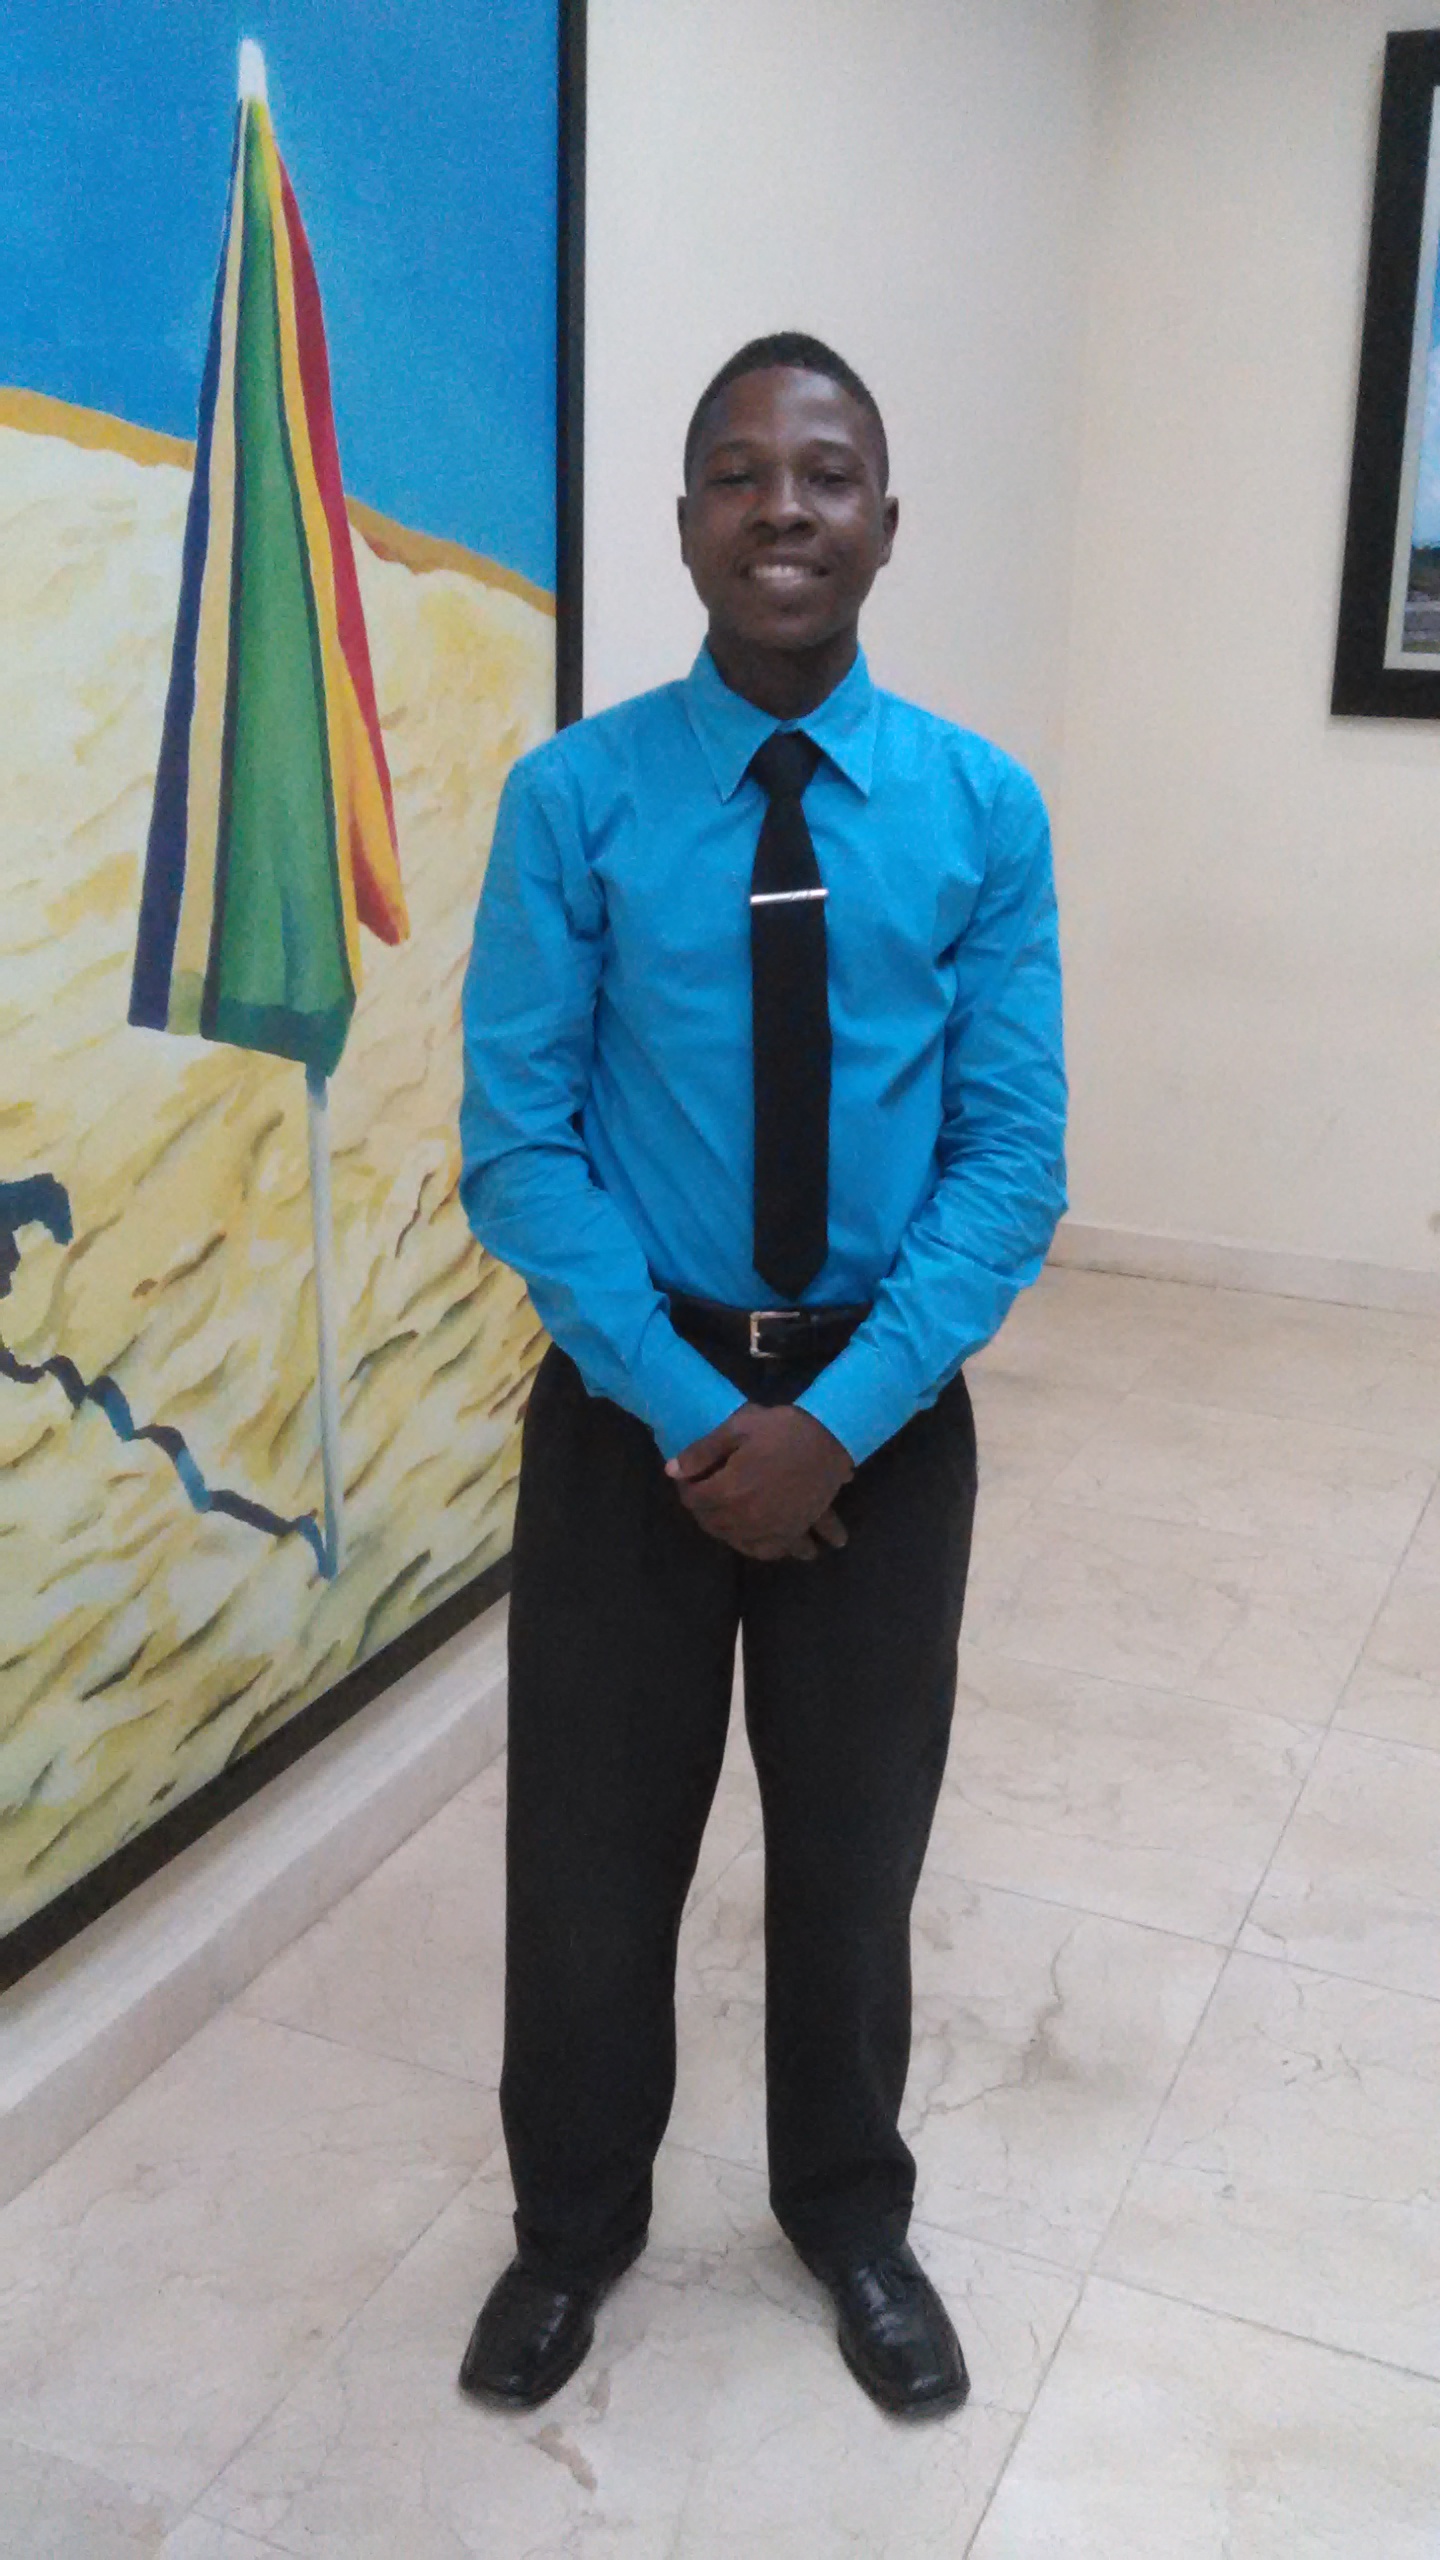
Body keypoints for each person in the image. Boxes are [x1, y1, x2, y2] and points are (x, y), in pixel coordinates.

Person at [455, 331, 1066, 2418]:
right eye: (738, 471)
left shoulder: (981, 811)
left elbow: (1011, 1157)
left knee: (855, 1847)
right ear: (685, 522)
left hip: (880, 1419)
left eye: (825, 474)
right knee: (590, 1853)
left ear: (888, 525)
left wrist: (836, 1421)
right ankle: (570, 2229)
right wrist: (702, 1414)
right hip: (637, 1412)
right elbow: (519, 1142)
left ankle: (851, 2215)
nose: (781, 506)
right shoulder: (577, 802)